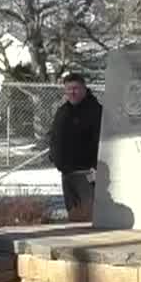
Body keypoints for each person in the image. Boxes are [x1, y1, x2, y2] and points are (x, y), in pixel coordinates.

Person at [48, 72, 102, 219]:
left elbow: (100, 141)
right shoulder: (63, 111)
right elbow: (54, 136)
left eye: (76, 88)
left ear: (84, 89)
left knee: (87, 215)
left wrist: (95, 166)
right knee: (74, 215)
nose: (72, 92)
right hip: (66, 173)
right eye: (68, 89)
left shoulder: (95, 111)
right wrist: (53, 156)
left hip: (86, 174)